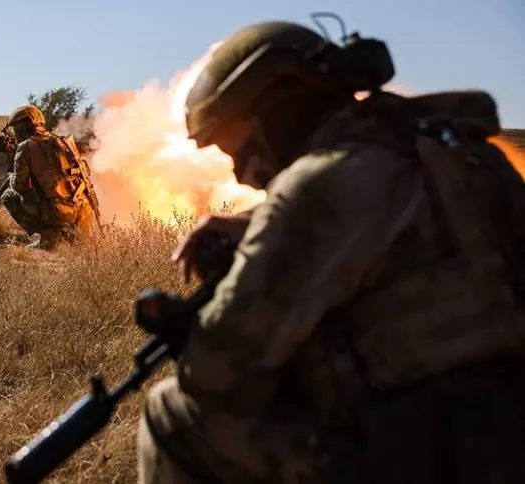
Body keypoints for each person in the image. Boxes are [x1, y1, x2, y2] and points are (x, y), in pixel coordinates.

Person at [137, 19, 525, 484]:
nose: (240, 173)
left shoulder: (317, 189)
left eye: (232, 148)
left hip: (423, 453)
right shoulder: (459, 152)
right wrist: (259, 225)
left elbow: (219, 372)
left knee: (172, 413)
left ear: (270, 114)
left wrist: (195, 333)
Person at [0, 105, 100, 249]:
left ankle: (50, 236)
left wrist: (12, 174)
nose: (14, 133)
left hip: (59, 213)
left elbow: (19, 186)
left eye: (15, 129)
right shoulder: (62, 140)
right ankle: (72, 236)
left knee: (9, 196)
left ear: (22, 127)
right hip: (83, 210)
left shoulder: (26, 146)